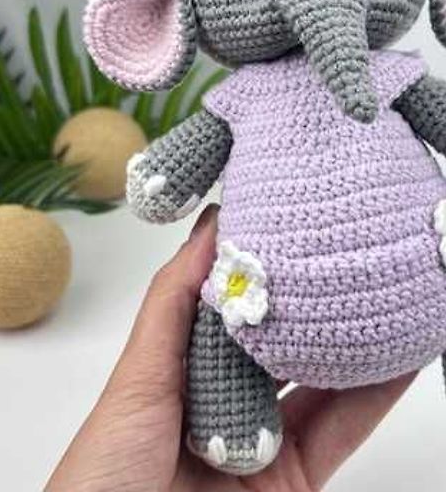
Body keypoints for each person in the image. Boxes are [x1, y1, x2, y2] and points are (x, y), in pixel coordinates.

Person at [45, 205, 416, 491]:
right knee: (223, 308)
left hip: (408, 281)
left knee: (225, 301)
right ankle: (232, 420)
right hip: (256, 291)